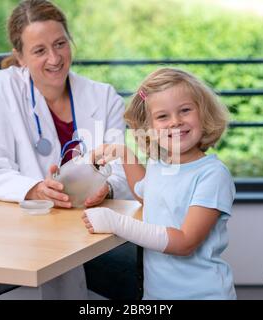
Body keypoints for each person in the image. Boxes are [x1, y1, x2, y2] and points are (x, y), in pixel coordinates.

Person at [0, 0, 133, 299]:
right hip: (30, 232)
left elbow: (122, 172)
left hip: (91, 227)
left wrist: (107, 189)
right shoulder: (0, 89)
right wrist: (35, 188)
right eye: (39, 50)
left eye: (60, 44)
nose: (54, 58)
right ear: (20, 57)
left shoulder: (103, 97)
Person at [83, 68, 237, 299]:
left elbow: (185, 242)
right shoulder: (160, 164)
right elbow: (147, 195)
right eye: (162, 116)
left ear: (203, 114)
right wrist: (124, 154)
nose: (175, 122)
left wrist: (116, 223)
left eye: (185, 110)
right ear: (149, 127)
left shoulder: (212, 175)